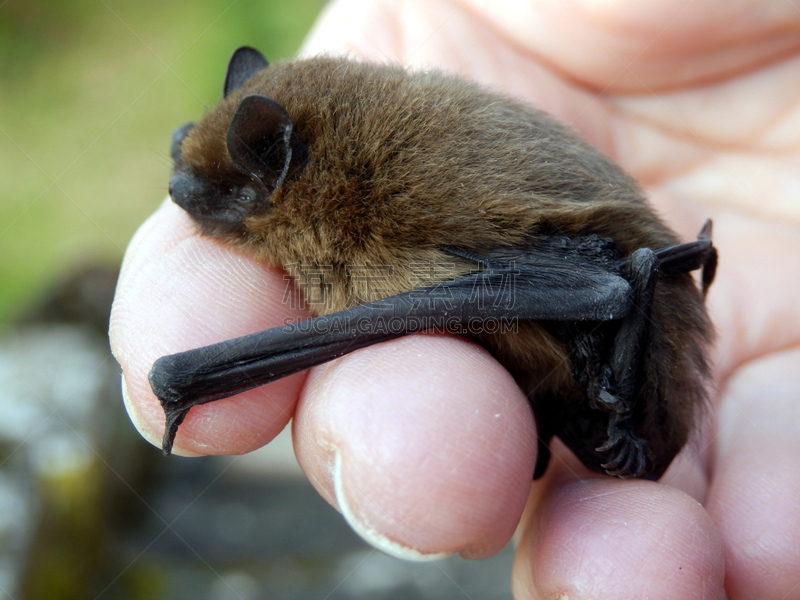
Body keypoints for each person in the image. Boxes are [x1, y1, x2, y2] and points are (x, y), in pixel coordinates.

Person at [109, 1, 800, 597]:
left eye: (234, 190)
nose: (186, 200)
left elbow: (602, 285)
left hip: (622, 316)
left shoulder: (379, 220)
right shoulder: (355, 201)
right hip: (574, 282)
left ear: (283, 171)